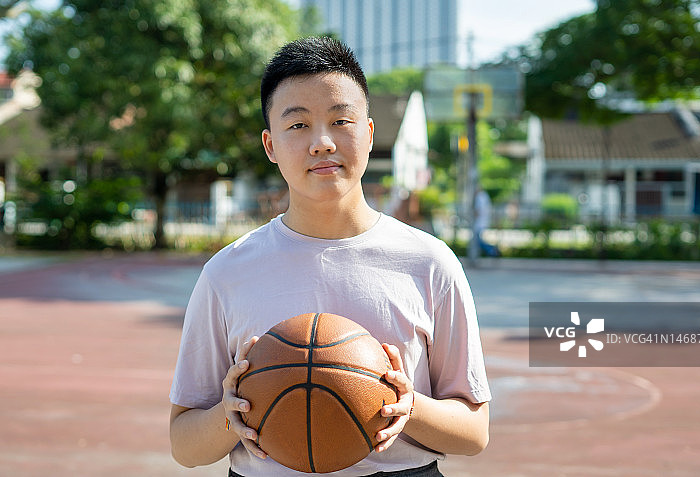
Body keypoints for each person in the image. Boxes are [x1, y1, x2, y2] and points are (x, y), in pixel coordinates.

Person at [169, 37, 491, 477]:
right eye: (298, 125)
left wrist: (408, 405)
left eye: (341, 120)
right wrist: (231, 414)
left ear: (370, 134)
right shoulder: (226, 272)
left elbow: (474, 431)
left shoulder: (430, 262)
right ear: (270, 145)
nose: (321, 142)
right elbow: (185, 444)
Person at [473, 189, 501, 257]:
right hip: (483, 221)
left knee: (478, 241)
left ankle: (492, 251)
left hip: (479, 222)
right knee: (478, 241)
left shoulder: (480, 197)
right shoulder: (485, 196)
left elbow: (478, 210)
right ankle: (492, 251)